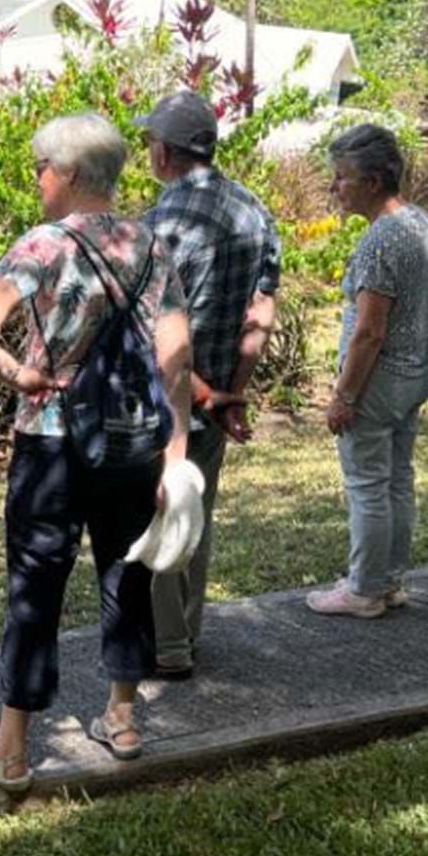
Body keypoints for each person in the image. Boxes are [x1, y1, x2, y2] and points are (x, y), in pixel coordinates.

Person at [0, 113, 193, 788]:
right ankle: (122, 717)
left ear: (69, 176)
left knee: (36, 585)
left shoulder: (40, 246)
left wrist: (16, 372)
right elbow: (175, 358)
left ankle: (11, 750)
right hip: (134, 438)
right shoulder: (150, 245)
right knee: (127, 573)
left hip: (53, 440)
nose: (36, 179)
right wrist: (174, 451)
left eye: (40, 168)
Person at [135, 90, 282, 677]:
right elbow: (261, 309)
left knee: (160, 515)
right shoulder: (254, 210)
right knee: (196, 512)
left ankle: (167, 646)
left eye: (151, 143)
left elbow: (152, 329)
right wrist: (232, 392)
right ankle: (187, 634)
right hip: (218, 398)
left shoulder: (158, 223)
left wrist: (201, 392)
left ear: (166, 153)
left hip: (167, 402)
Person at [311, 123, 428, 618]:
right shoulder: (421, 223)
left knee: (368, 483)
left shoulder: (381, 240)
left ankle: (365, 589)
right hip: (415, 374)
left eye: (341, 177)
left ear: (372, 181)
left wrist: (344, 395)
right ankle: (387, 579)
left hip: (378, 379)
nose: (334, 187)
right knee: (396, 479)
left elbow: (369, 331)